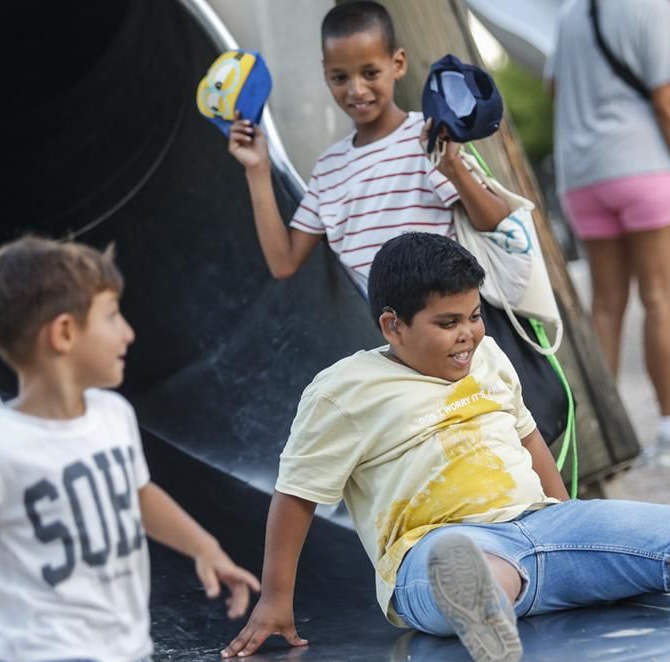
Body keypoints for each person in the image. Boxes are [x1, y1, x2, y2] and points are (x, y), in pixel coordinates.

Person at [220, 233, 670, 662]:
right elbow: (296, 495)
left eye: (474, 316)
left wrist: (570, 517)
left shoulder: (489, 358)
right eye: (447, 323)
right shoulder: (343, 392)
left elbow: (529, 439)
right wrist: (276, 599)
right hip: (433, 549)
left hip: (540, 528)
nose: (467, 333)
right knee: (476, 570)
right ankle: (487, 618)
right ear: (392, 326)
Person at [0, 237, 260, 662]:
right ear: (64, 333)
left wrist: (204, 548)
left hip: (126, 653)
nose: (128, 332)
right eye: (112, 316)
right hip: (48, 661)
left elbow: (137, 494)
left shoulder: (113, 416)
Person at [227, 0, 569, 445]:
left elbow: (496, 222)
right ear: (325, 74)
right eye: (340, 77)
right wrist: (257, 169)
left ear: (398, 64)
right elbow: (284, 261)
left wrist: (454, 169)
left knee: (510, 437)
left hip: (458, 333)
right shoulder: (328, 171)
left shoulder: (426, 136)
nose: (356, 89)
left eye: (370, 72)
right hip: (401, 351)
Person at [548, 0, 670, 464]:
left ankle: (603, 437)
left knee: (606, 307)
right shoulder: (652, 8)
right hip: (645, 167)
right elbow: (669, 102)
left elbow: (554, 88)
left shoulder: (571, 13)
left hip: (582, 176)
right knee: (661, 299)